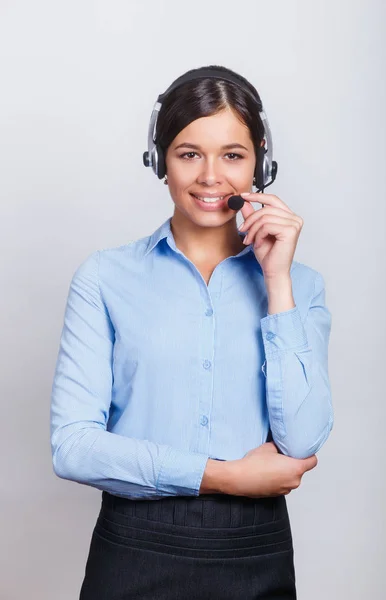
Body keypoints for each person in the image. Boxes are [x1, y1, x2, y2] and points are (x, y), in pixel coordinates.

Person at [50, 64, 333, 599]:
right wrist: (222, 475)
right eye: (188, 153)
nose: (210, 176)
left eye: (232, 155)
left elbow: (301, 441)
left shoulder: (301, 287)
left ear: (261, 163)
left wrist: (277, 283)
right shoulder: (105, 278)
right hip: (134, 551)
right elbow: (73, 446)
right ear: (160, 161)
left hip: (256, 554)